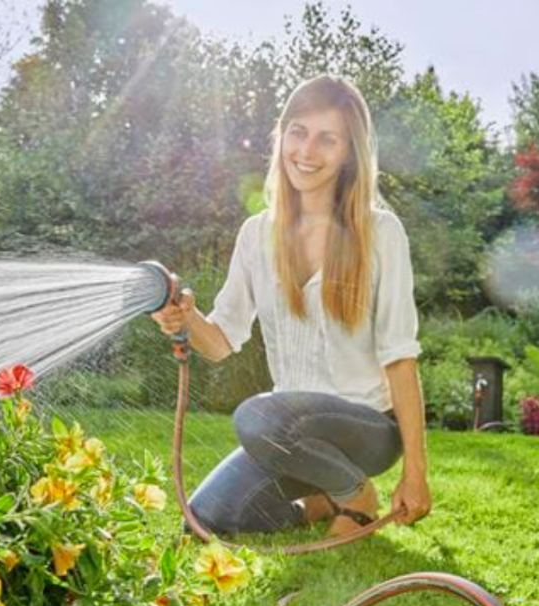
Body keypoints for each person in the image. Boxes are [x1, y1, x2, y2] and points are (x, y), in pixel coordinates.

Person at [152, 74, 431, 537]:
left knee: (257, 417)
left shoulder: (381, 233)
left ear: (349, 153)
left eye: (327, 139)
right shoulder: (257, 235)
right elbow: (220, 342)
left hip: (367, 429)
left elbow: (400, 358)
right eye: (298, 132)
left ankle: (354, 491)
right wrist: (184, 317)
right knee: (204, 521)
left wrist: (416, 473)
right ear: (281, 137)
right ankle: (319, 504)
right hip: (287, 435)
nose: (307, 150)